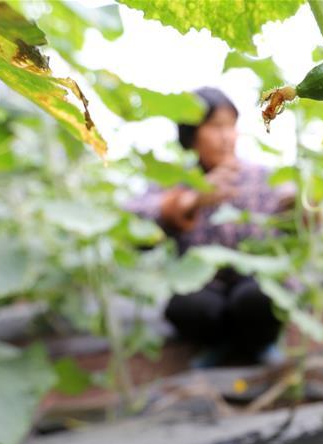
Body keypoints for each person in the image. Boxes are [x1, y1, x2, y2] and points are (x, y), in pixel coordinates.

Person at [125, 87, 294, 367]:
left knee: (259, 297)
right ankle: (221, 346)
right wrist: (190, 201)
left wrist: (297, 208)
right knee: (186, 307)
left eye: (231, 126)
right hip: (205, 287)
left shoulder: (263, 177)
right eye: (216, 127)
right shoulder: (178, 182)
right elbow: (133, 223)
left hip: (252, 280)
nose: (227, 136)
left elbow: (298, 227)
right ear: (192, 137)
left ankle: (259, 345)